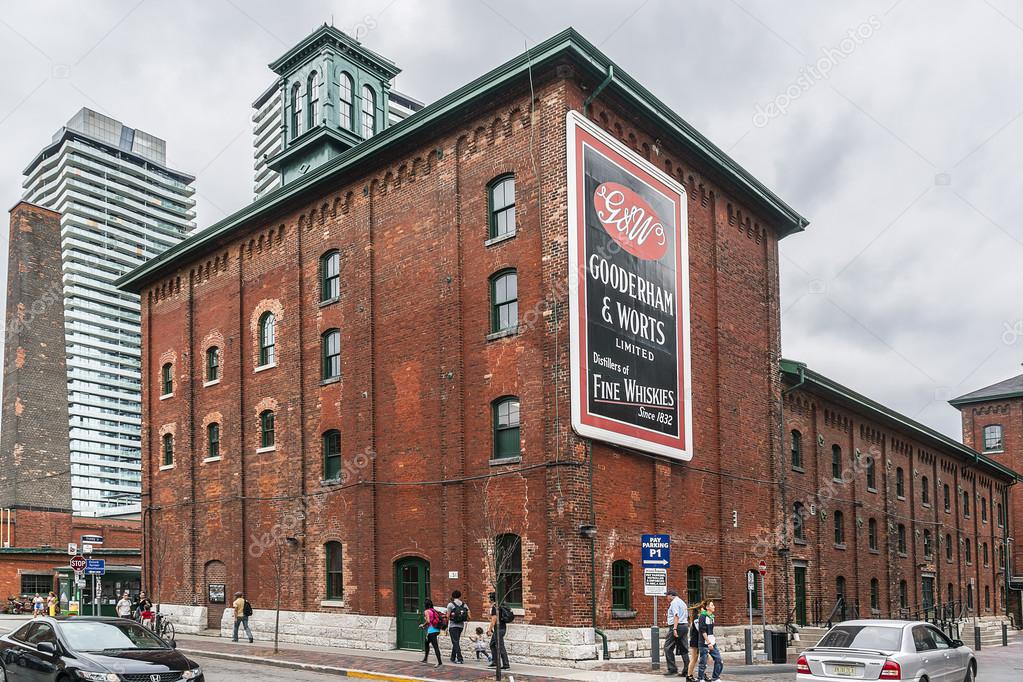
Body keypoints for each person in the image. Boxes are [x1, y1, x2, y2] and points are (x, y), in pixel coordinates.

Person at [662, 589, 689, 677]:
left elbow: (676, 616)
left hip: (677, 626)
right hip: (684, 625)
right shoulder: (682, 602)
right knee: (683, 648)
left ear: (671, 595)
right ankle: (687, 670)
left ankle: (672, 669)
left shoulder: (674, 603)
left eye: (667, 596)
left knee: (668, 647)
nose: (666, 597)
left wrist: (674, 629)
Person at [696, 600, 723, 682]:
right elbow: (703, 631)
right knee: (703, 662)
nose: (714, 606)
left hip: (712, 642)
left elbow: (710, 631)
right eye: (712, 605)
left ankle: (715, 677)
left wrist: (712, 642)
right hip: (704, 643)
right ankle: (701, 678)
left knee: (719, 660)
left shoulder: (712, 617)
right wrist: (708, 642)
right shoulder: (702, 617)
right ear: (707, 607)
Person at [486, 592, 510, 670]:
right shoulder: (499, 605)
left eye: (489, 598)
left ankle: (506, 665)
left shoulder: (495, 607)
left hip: (499, 629)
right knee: (492, 644)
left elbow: (493, 620)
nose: (488, 599)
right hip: (502, 628)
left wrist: (489, 630)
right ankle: (495, 662)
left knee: (500, 647)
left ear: (492, 599)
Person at [446, 590, 469, 664]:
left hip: (453, 626)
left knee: (455, 642)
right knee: (456, 641)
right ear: (460, 596)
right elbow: (469, 615)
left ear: (452, 596)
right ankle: (452, 657)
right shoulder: (464, 604)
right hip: (461, 626)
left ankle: (460, 658)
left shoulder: (450, 605)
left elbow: (448, 616)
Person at [420, 598, 443, 667]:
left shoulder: (426, 611)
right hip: (436, 630)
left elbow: (428, 621)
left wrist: (422, 625)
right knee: (426, 643)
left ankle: (439, 662)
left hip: (431, 631)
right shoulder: (433, 610)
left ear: (425, 605)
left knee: (435, 646)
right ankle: (425, 659)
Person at [687, 600, 705, 682]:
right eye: (703, 608)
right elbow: (700, 629)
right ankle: (689, 676)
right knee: (694, 658)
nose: (704, 610)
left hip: (699, 640)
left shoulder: (698, 617)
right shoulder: (697, 619)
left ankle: (702, 674)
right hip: (695, 641)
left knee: (702, 658)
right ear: (700, 609)